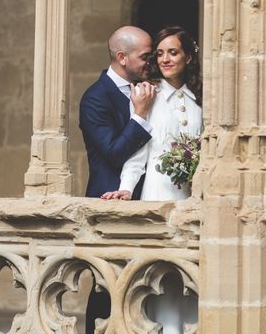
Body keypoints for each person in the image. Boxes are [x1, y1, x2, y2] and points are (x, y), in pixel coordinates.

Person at [101, 26, 202, 333]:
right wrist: (125, 188)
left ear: (187, 56)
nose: (165, 59)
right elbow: (138, 153)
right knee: (162, 276)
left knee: (189, 278)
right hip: (158, 193)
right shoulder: (149, 94)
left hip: (188, 196)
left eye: (173, 52)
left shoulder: (196, 101)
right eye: (159, 53)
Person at [79, 25, 157, 334]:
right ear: (122, 57)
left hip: (147, 199)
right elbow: (112, 153)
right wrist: (139, 114)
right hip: (110, 201)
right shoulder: (95, 98)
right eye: (145, 56)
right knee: (106, 293)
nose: (150, 62)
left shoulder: (147, 89)